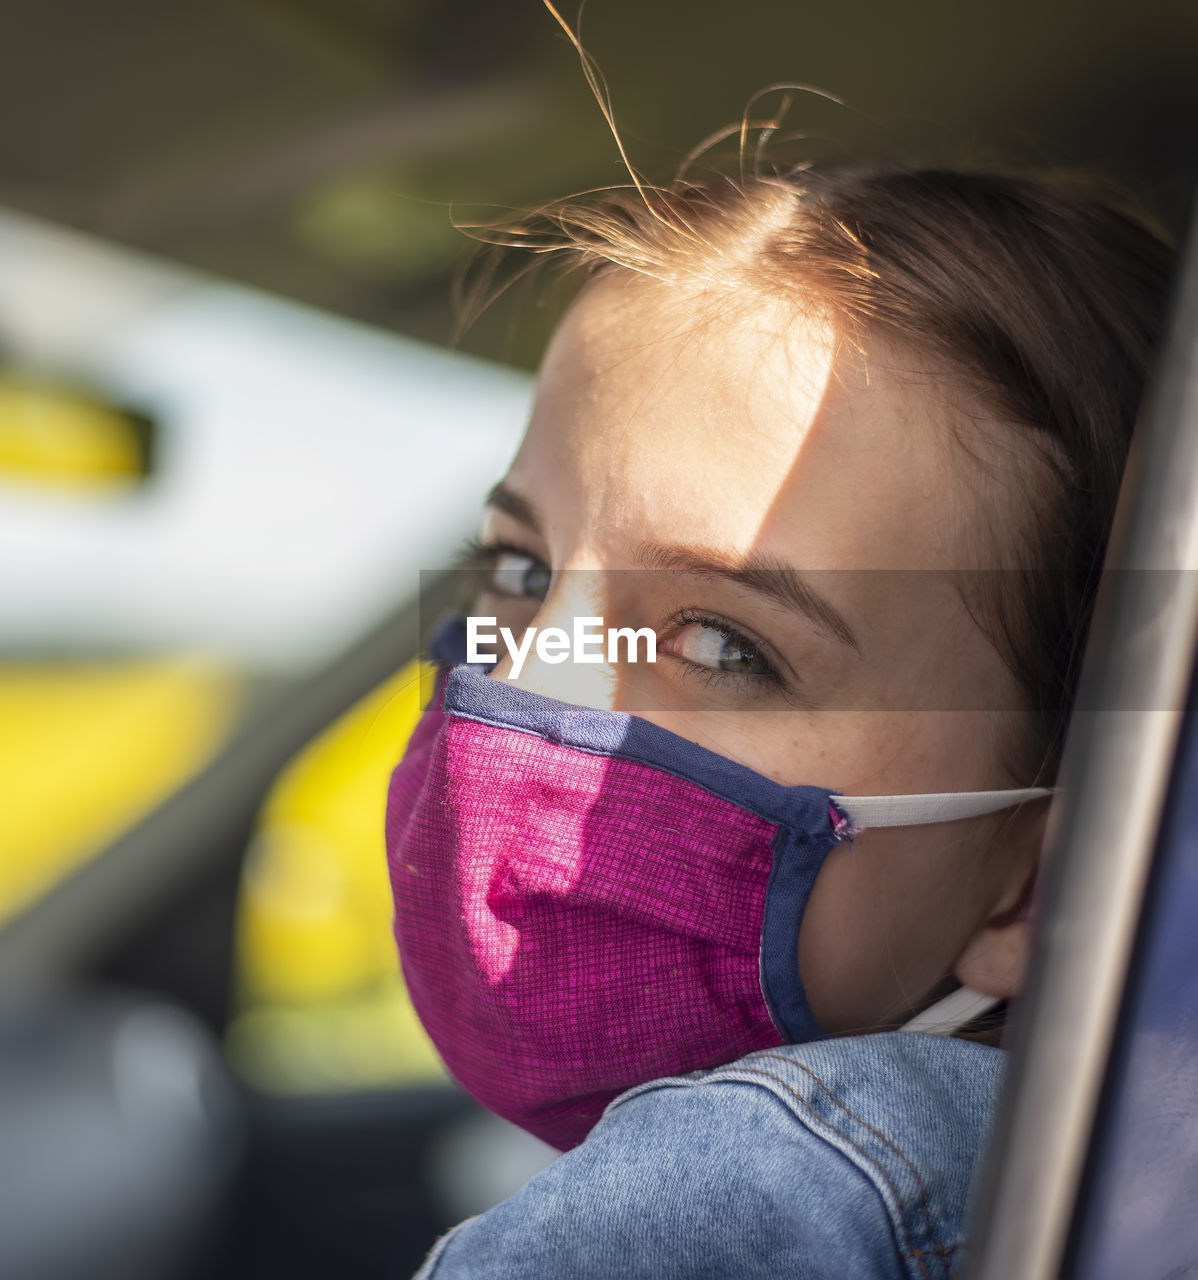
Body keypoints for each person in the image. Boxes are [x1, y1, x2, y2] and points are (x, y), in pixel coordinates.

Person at [384, 151, 1174, 1278]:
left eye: (722, 641)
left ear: (1039, 884)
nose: (520, 688)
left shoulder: (753, 1191)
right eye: (517, 568)